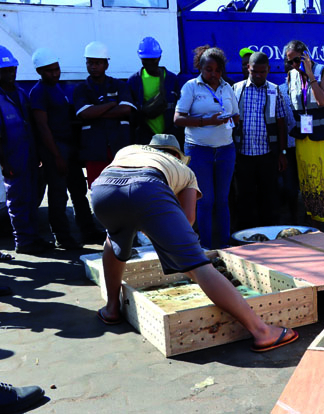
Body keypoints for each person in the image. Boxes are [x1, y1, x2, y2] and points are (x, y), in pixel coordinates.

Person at [92, 134, 298, 352]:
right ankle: (262, 332)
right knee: (199, 266)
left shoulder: (130, 149)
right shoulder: (185, 172)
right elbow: (188, 220)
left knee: (114, 240)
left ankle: (112, 308)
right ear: (178, 156)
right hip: (148, 187)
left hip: (103, 190)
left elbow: (126, 194)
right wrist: (165, 234)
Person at [30, 48, 105, 249]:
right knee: (58, 195)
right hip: (55, 150)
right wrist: (56, 157)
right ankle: (62, 237)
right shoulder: (38, 93)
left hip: (68, 148)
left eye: (56, 69)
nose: (55, 73)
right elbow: (42, 127)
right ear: (39, 71)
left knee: (78, 191)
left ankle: (88, 231)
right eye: (49, 71)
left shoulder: (57, 88)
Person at [174, 45, 239, 249]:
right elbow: (178, 119)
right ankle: (206, 247)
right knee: (205, 200)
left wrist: (229, 121)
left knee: (222, 200)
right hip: (199, 150)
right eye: (209, 69)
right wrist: (206, 122)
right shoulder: (191, 87)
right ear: (200, 68)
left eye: (217, 70)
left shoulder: (227, 87)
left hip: (225, 150)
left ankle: (224, 245)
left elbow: (236, 116)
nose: (213, 74)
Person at [284, 40, 324, 235]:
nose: (293, 65)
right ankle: (315, 227)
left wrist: (310, 74)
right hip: (305, 139)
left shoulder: (323, 70)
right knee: (310, 181)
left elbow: (321, 100)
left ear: (305, 56)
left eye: (296, 60)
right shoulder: (291, 76)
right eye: (290, 62)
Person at [0, 45, 52, 254]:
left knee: (31, 198)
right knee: (18, 200)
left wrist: (38, 154)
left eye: (12, 69)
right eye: (5, 70)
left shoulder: (21, 94)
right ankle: (23, 242)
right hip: (12, 157)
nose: (10, 74)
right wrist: (5, 162)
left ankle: (33, 237)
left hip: (29, 155)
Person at [232, 52, 288, 229]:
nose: (258, 75)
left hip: (267, 154)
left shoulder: (274, 90)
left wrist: (282, 152)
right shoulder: (237, 89)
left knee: (269, 196)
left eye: (262, 72)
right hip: (243, 154)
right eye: (254, 71)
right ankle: (246, 235)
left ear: (268, 70)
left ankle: (269, 233)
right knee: (244, 197)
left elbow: (281, 123)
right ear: (248, 68)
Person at [73, 41, 135, 187]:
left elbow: (126, 109)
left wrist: (97, 111)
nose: (93, 66)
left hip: (119, 147)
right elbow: (85, 114)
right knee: (97, 187)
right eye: (90, 63)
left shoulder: (120, 85)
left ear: (106, 64)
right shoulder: (81, 89)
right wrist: (112, 104)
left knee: (123, 186)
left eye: (98, 63)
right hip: (95, 148)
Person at [127, 37, 182, 146]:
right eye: (145, 60)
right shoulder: (134, 81)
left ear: (159, 58)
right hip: (145, 137)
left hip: (170, 136)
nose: (149, 63)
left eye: (153, 59)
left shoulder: (172, 79)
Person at [278, 59, 299, 224]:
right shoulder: (279, 91)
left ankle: (308, 219)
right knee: (290, 187)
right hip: (289, 147)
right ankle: (293, 220)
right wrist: (282, 150)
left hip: (308, 144)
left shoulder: (307, 88)